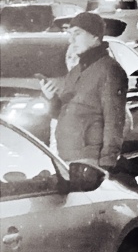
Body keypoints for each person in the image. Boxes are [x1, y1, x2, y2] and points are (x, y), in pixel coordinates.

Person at [39, 11, 127, 171]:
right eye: (70, 34)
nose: (71, 40)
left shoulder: (109, 70)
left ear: (95, 36)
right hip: (66, 157)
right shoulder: (76, 71)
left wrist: (107, 162)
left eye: (77, 34)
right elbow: (63, 113)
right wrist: (51, 99)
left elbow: (114, 120)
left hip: (90, 159)